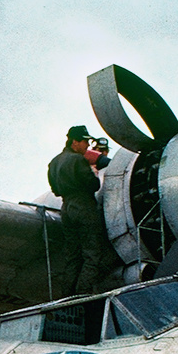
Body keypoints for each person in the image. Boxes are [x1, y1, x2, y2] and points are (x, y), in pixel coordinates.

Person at [48, 125, 117, 298]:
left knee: (73, 256)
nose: (87, 145)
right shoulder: (78, 160)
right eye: (85, 141)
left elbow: (55, 190)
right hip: (84, 206)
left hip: (66, 208)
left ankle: (67, 297)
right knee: (92, 254)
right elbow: (94, 185)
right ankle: (83, 295)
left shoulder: (54, 162)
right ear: (75, 142)